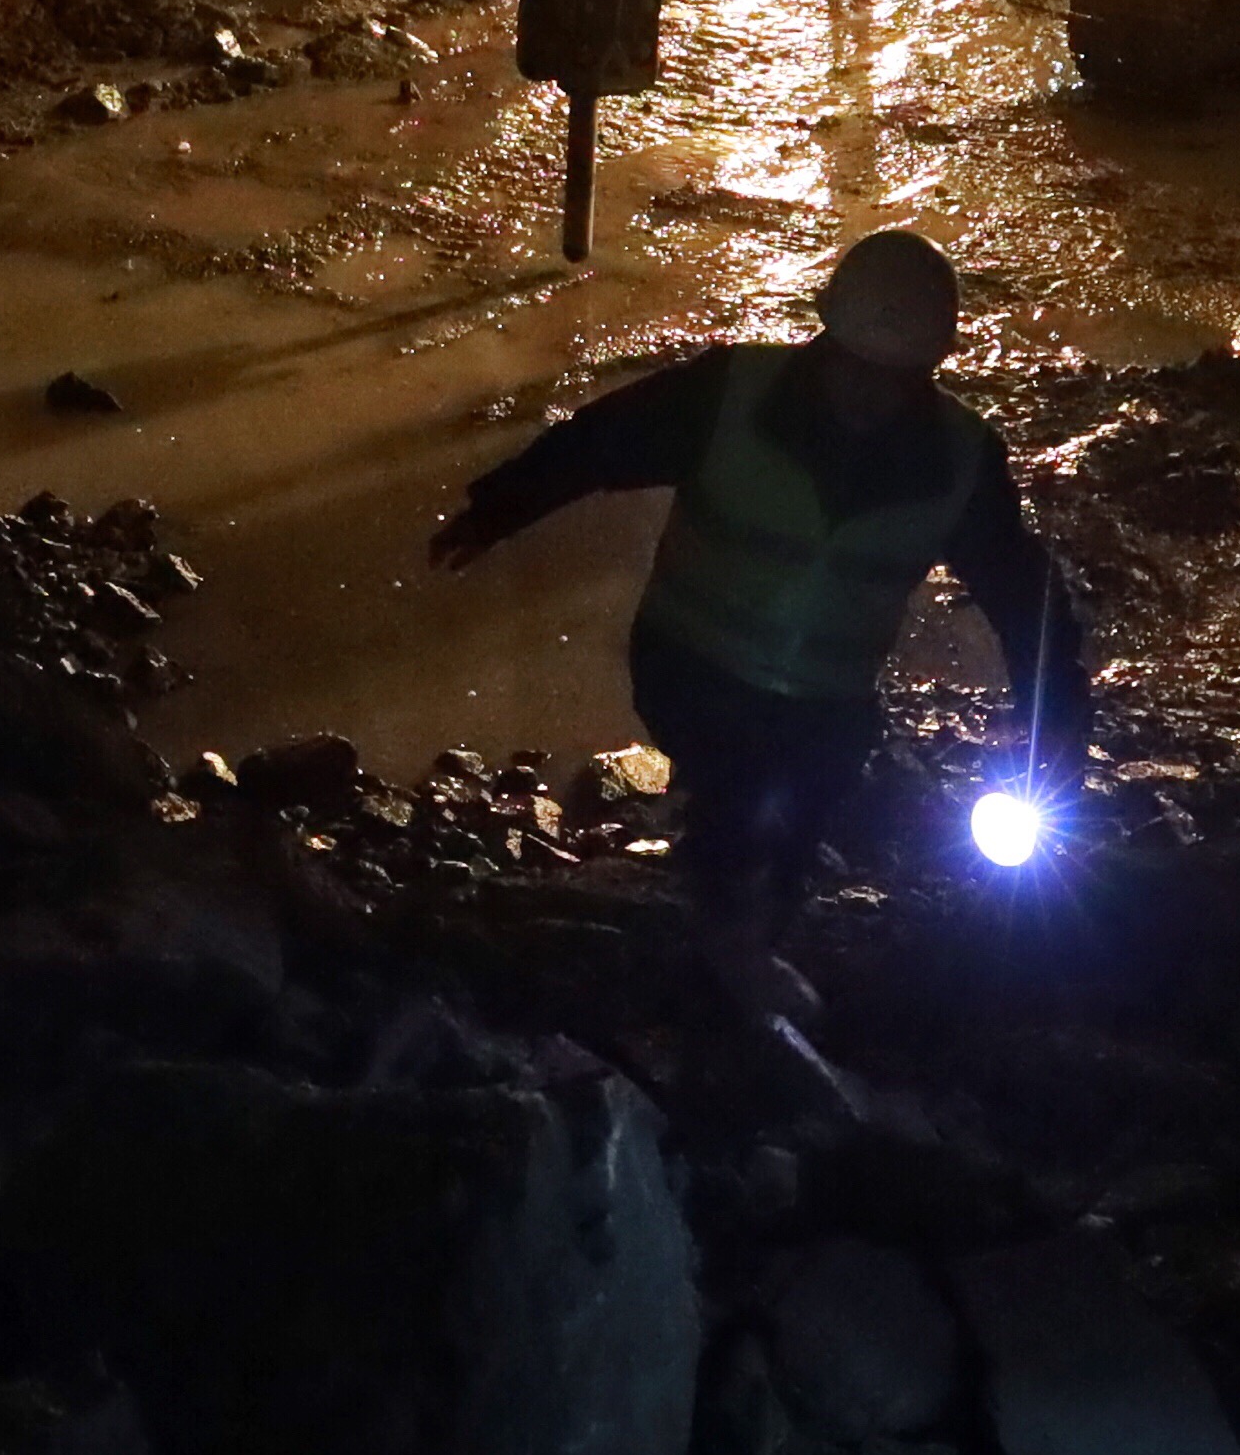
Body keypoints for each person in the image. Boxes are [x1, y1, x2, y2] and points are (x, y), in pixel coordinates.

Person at [430, 226, 1082, 1021]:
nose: (870, 395)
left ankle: (746, 930)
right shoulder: (732, 394)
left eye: (896, 378)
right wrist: (499, 505)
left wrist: (1059, 731)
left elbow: (1025, 597)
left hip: (827, 698)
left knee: (811, 799)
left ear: (932, 369)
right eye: (857, 370)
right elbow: (601, 443)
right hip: (690, 660)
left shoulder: (961, 461)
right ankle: (728, 946)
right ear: (825, 336)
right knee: (740, 785)